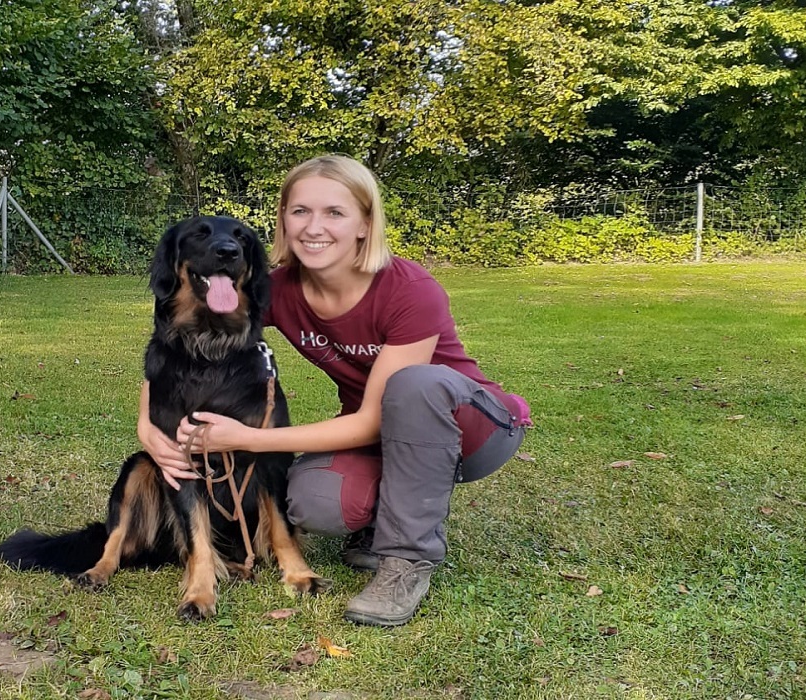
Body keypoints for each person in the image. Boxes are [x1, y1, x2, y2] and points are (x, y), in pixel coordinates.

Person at [138, 154, 531, 627]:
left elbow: (373, 418)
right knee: (314, 500)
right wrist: (148, 423)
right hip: (378, 435)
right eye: (300, 211)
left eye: (335, 213)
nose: (313, 227)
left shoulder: (410, 289)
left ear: (365, 223)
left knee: (414, 385)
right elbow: (177, 341)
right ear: (283, 220)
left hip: (473, 428)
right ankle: (381, 519)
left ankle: (406, 561)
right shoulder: (277, 289)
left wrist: (248, 439)